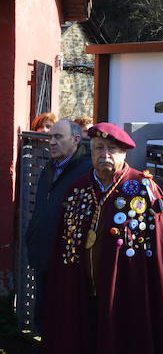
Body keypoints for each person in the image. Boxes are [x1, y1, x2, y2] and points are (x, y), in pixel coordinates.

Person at [43, 123, 163, 354]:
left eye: (112, 149)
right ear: (91, 151)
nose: (104, 154)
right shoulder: (77, 189)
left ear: (124, 153)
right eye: (99, 148)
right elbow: (63, 245)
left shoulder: (143, 189)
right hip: (82, 292)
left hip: (128, 295)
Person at [24, 119, 93, 335]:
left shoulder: (86, 170)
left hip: (66, 259)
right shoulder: (49, 167)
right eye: (50, 137)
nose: (52, 142)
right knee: (42, 314)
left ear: (76, 139)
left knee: (63, 318)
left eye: (58, 137)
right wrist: (32, 235)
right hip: (42, 254)